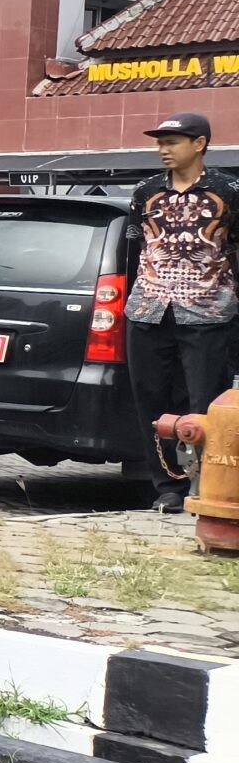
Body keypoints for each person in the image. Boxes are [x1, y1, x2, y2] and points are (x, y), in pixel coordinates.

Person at [120, 113, 239, 512]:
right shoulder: (146, 192)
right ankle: (166, 488)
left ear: (200, 144)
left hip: (207, 313)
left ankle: (205, 485)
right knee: (150, 401)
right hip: (148, 310)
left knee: (206, 403)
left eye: (172, 141)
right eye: (160, 142)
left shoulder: (229, 191)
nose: (163, 149)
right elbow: (136, 248)